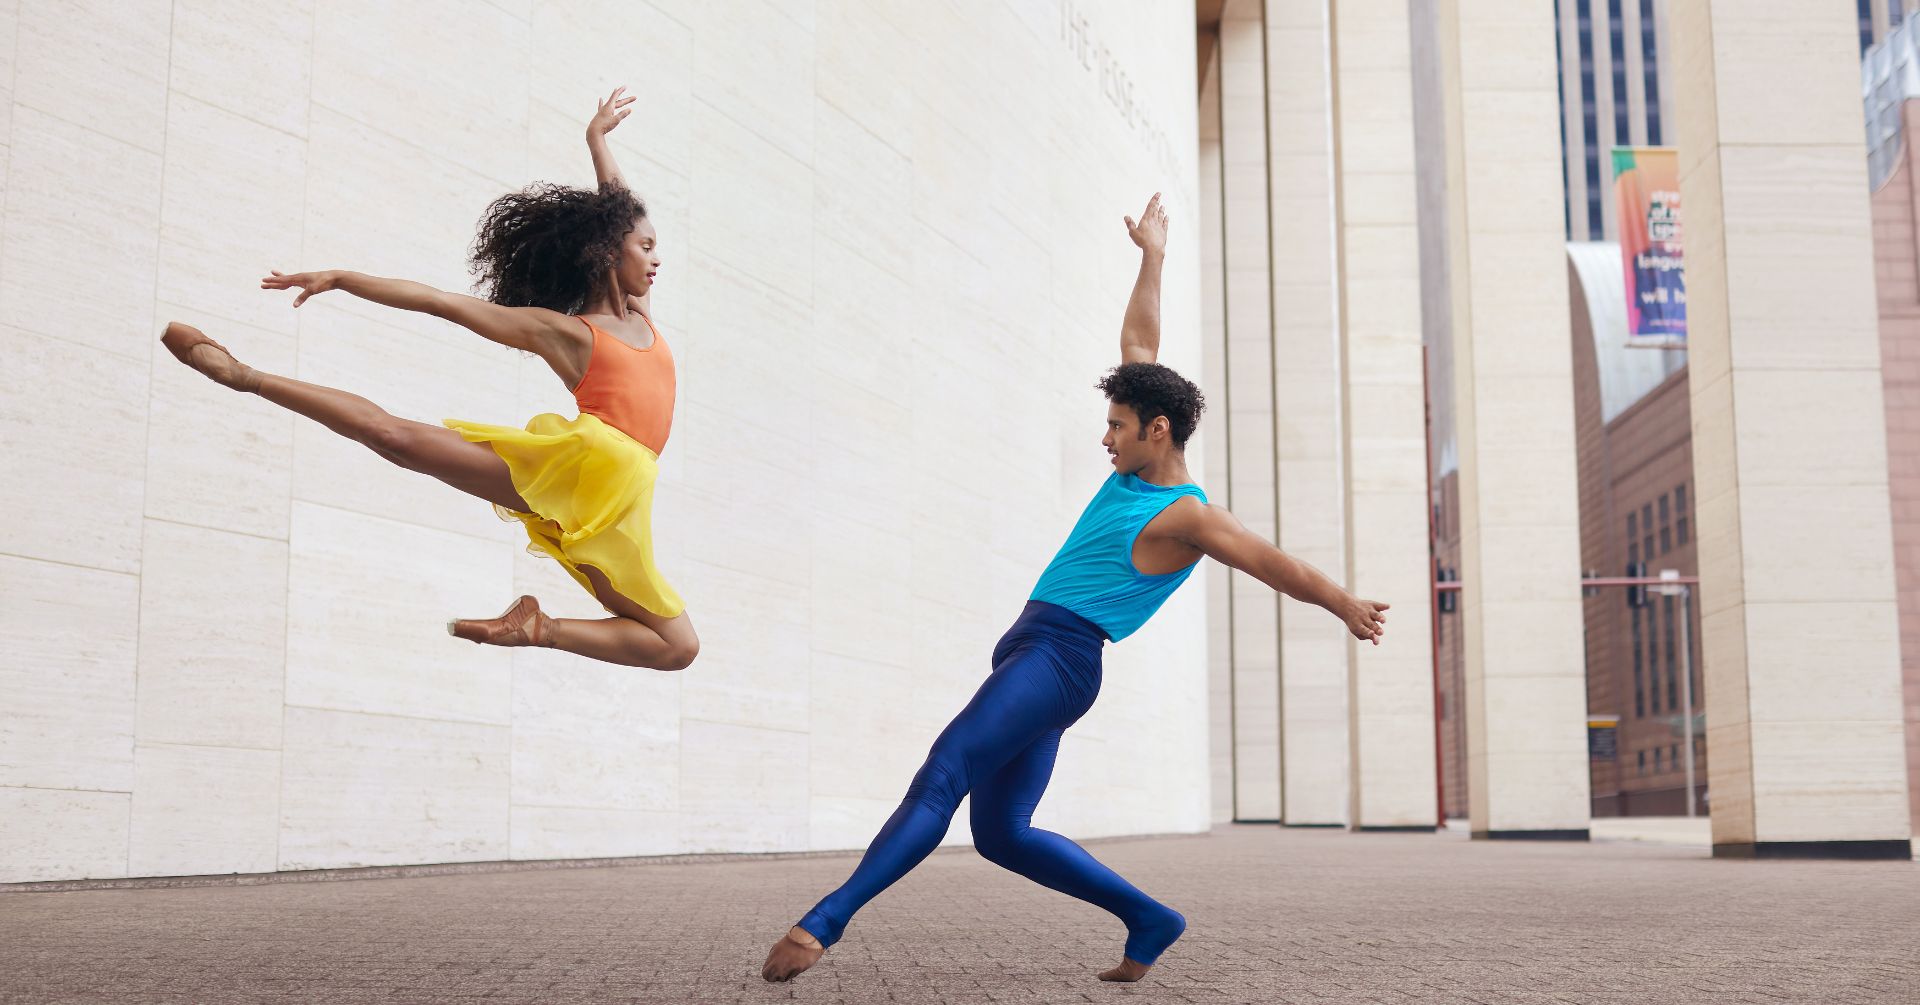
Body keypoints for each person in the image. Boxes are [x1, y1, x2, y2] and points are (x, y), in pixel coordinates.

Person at [760, 193, 1389, 984]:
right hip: (1032, 650)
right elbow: (1139, 340)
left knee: (944, 770)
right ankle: (1150, 917)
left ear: (1157, 430)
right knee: (1002, 834)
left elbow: (1273, 562)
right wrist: (1152, 258)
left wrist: (1343, 603)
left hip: (1060, 660)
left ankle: (824, 921)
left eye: (1118, 426)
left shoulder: (1187, 514)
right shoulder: (1131, 472)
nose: (1106, 436)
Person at [159, 87, 699, 670]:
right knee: (396, 439)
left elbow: (616, 206)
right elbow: (439, 302)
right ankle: (244, 376)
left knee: (677, 648)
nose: (656, 258)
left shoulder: (641, 316)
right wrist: (343, 278)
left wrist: (595, 140)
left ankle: (536, 627)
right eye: (645, 247)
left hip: (624, 493)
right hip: (584, 466)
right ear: (604, 252)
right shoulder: (567, 333)